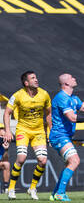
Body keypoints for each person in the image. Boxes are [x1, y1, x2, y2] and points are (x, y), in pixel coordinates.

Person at [49, 74, 84, 201]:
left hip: (65, 136)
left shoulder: (74, 98)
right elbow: (72, 118)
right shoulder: (61, 98)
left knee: (70, 163)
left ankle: (55, 193)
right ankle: (60, 193)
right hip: (59, 136)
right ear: (66, 83)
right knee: (74, 161)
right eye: (71, 77)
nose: (74, 78)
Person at [4, 71, 52, 200]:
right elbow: (7, 113)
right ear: (26, 83)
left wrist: (50, 132)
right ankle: (11, 188)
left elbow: (48, 114)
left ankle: (32, 188)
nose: (36, 80)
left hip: (39, 132)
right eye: (33, 78)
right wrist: (8, 131)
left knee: (42, 161)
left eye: (36, 77)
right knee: (21, 158)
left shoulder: (44, 94)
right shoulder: (18, 95)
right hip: (23, 130)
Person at [0, 128, 10, 194]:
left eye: (4, 136)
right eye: (1, 135)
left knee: (6, 164)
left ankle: (6, 187)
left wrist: (6, 149)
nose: (3, 137)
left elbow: (5, 158)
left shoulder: (4, 143)